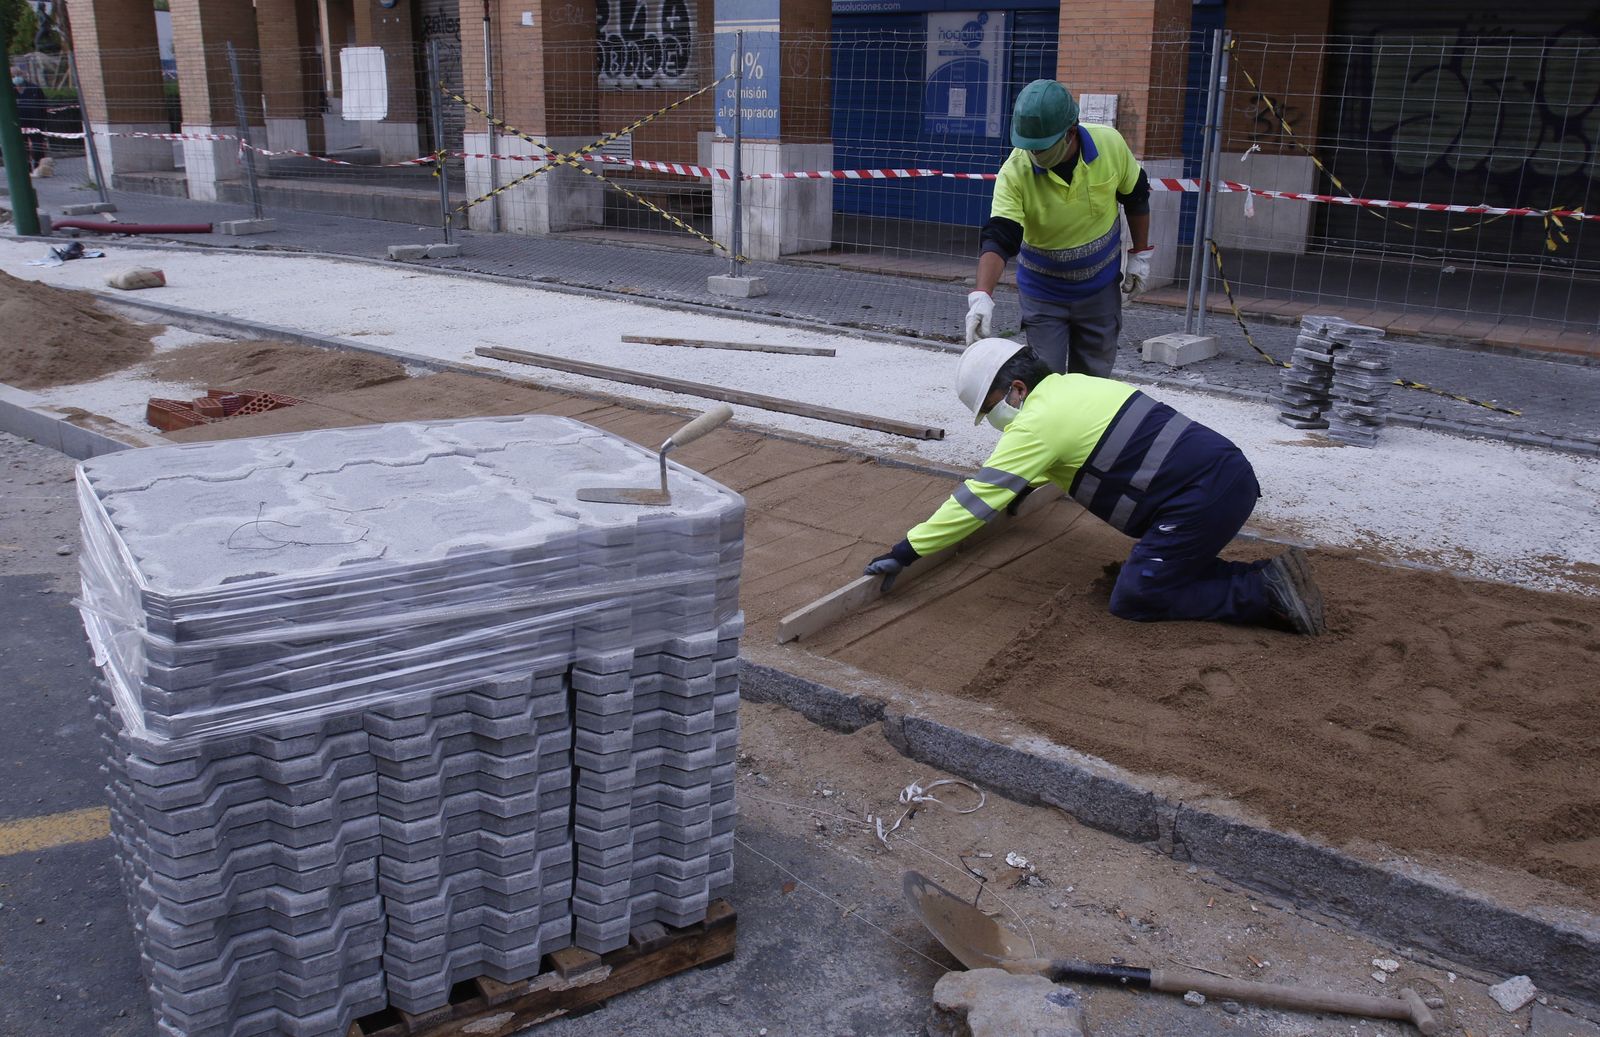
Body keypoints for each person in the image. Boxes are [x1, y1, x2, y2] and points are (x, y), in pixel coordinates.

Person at [864, 338, 1327, 635]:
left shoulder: (1037, 423)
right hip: (1224, 477)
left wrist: (907, 550)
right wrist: (1023, 488)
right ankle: (1265, 577)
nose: (995, 421)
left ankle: (1261, 590)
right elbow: (1080, 452)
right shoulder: (1075, 387)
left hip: (1199, 501)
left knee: (1137, 596)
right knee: (1155, 570)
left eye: (991, 408)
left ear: (1017, 389)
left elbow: (976, 499)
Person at [964, 79, 1154, 378]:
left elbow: (1137, 196)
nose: (1034, 154)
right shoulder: (1015, 172)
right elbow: (1000, 235)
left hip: (1099, 288)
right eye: (1028, 147)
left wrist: (1140, 256)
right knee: (1044, 380)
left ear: (1070, 132)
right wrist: (982, 295)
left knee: (1094, 381)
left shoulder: (1110, 145)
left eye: (1041, 147)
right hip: (1044, 293)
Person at [10, 66, 49, 171]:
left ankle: (39, 167)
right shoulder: (8, 91)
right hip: (18, 124)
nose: (16, 78)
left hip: (35, 123)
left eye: (18, 75)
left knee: (37, 146)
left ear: (22, 75)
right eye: (13, 76)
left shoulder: (34, 89)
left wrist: (43, 122)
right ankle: (25, 168)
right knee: (21, 147)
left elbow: (43, 105)